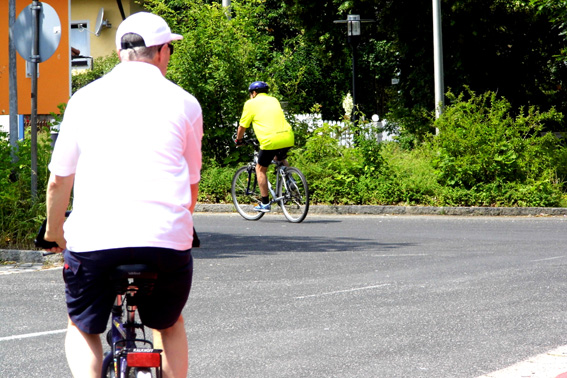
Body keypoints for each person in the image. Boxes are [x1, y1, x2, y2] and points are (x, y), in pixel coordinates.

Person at [43, 12, 203, 378]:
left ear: (119, 53)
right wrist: (180, 225)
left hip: (95, 241)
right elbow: (191, 183)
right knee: (170, 324)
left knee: (82, 327)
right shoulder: (185, 103)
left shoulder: (83, 99)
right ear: (162, 52)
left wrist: (54, 233)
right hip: (165, 241)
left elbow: (58, 181)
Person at [235, 81, 294, 212]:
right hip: (287, 136)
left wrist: (239, 140)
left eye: (251, 93)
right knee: (280, 158)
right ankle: (290, 180)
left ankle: (265, 203)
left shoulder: (250, 104)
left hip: (270, 140)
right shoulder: (274, 100)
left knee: (260, 169)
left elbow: (242, 126)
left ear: (254, 93)